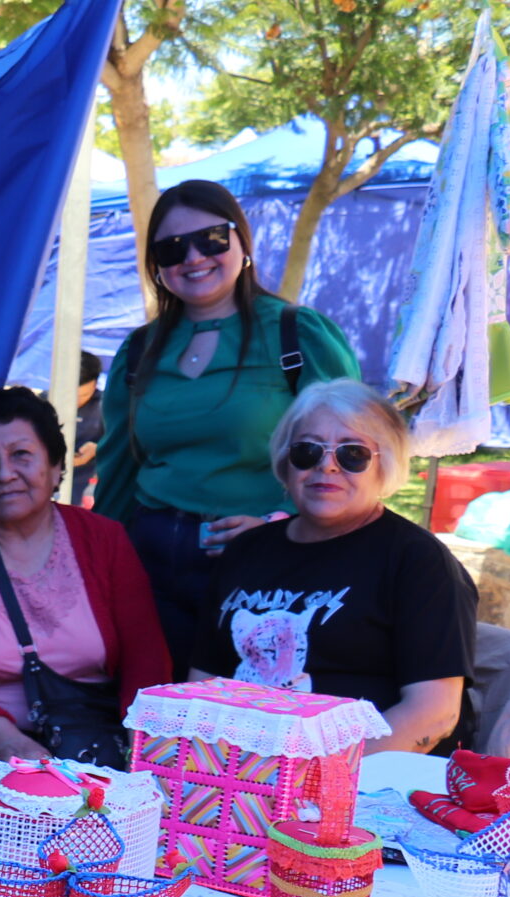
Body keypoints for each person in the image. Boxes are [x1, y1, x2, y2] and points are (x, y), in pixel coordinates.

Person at [93, 180, 361, 673]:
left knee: (238, 730)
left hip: (263, 571)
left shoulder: (297, 332)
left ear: (242, 241)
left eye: (211, 239)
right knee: (152, 718)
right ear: (156, 264)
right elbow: (117, 470)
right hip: (150, 571)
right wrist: (95, 564)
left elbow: (351, 458)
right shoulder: (139, 350)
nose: (193, 257)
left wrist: (278, 524)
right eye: (172, 248)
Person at [0, 387, 168, 856]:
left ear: (55, 467)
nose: (5, 474)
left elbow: (147, 656)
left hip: (99, 749)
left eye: (22, 455)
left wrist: (141, 749)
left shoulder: (104, 539)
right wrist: (16, 750)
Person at [192, 379, 476, 755]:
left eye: (353, 454)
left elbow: (432, 714)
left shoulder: (418, 560)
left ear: (384, 466)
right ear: (285, 461)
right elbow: (202, 685)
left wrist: (321, 780)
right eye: (307, 451)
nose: (326, 465)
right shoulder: (246, 549)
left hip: (364, 777)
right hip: (240, 773)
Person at [69, 350, 105, 506]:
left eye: (83, 395)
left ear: (95, 384)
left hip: (85, 490)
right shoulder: (43, 403)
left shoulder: (107, 406)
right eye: (69, 396)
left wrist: (98, 449)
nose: (75, 402)